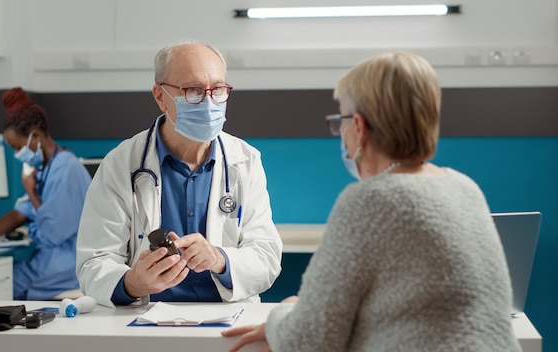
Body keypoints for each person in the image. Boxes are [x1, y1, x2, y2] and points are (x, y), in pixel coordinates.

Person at [222, 52, 521, 351]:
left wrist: (286, 311)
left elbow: (310, 339)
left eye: (342, 120)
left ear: (360, 127)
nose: (342, 131)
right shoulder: (463, 187)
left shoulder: (370, 201)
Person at [75, 41, 282, 308]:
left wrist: (220, 260)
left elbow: (266, 257)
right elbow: (93, 263)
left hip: (227, 321)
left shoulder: (245, 161)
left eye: (217, 89)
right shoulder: (120, 164)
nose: (209, 102)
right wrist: (132, 283)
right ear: (160, 96)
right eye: (193, 90)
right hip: (145, 324)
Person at [0, 87, 92, 300]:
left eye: (17, 147)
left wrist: (31, 191)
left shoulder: (66, 169)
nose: (18, 154)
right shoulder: (47, 168)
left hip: (64, 267)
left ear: (34, 137)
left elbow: (52, 233)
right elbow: (20, 214)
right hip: (50, 260)